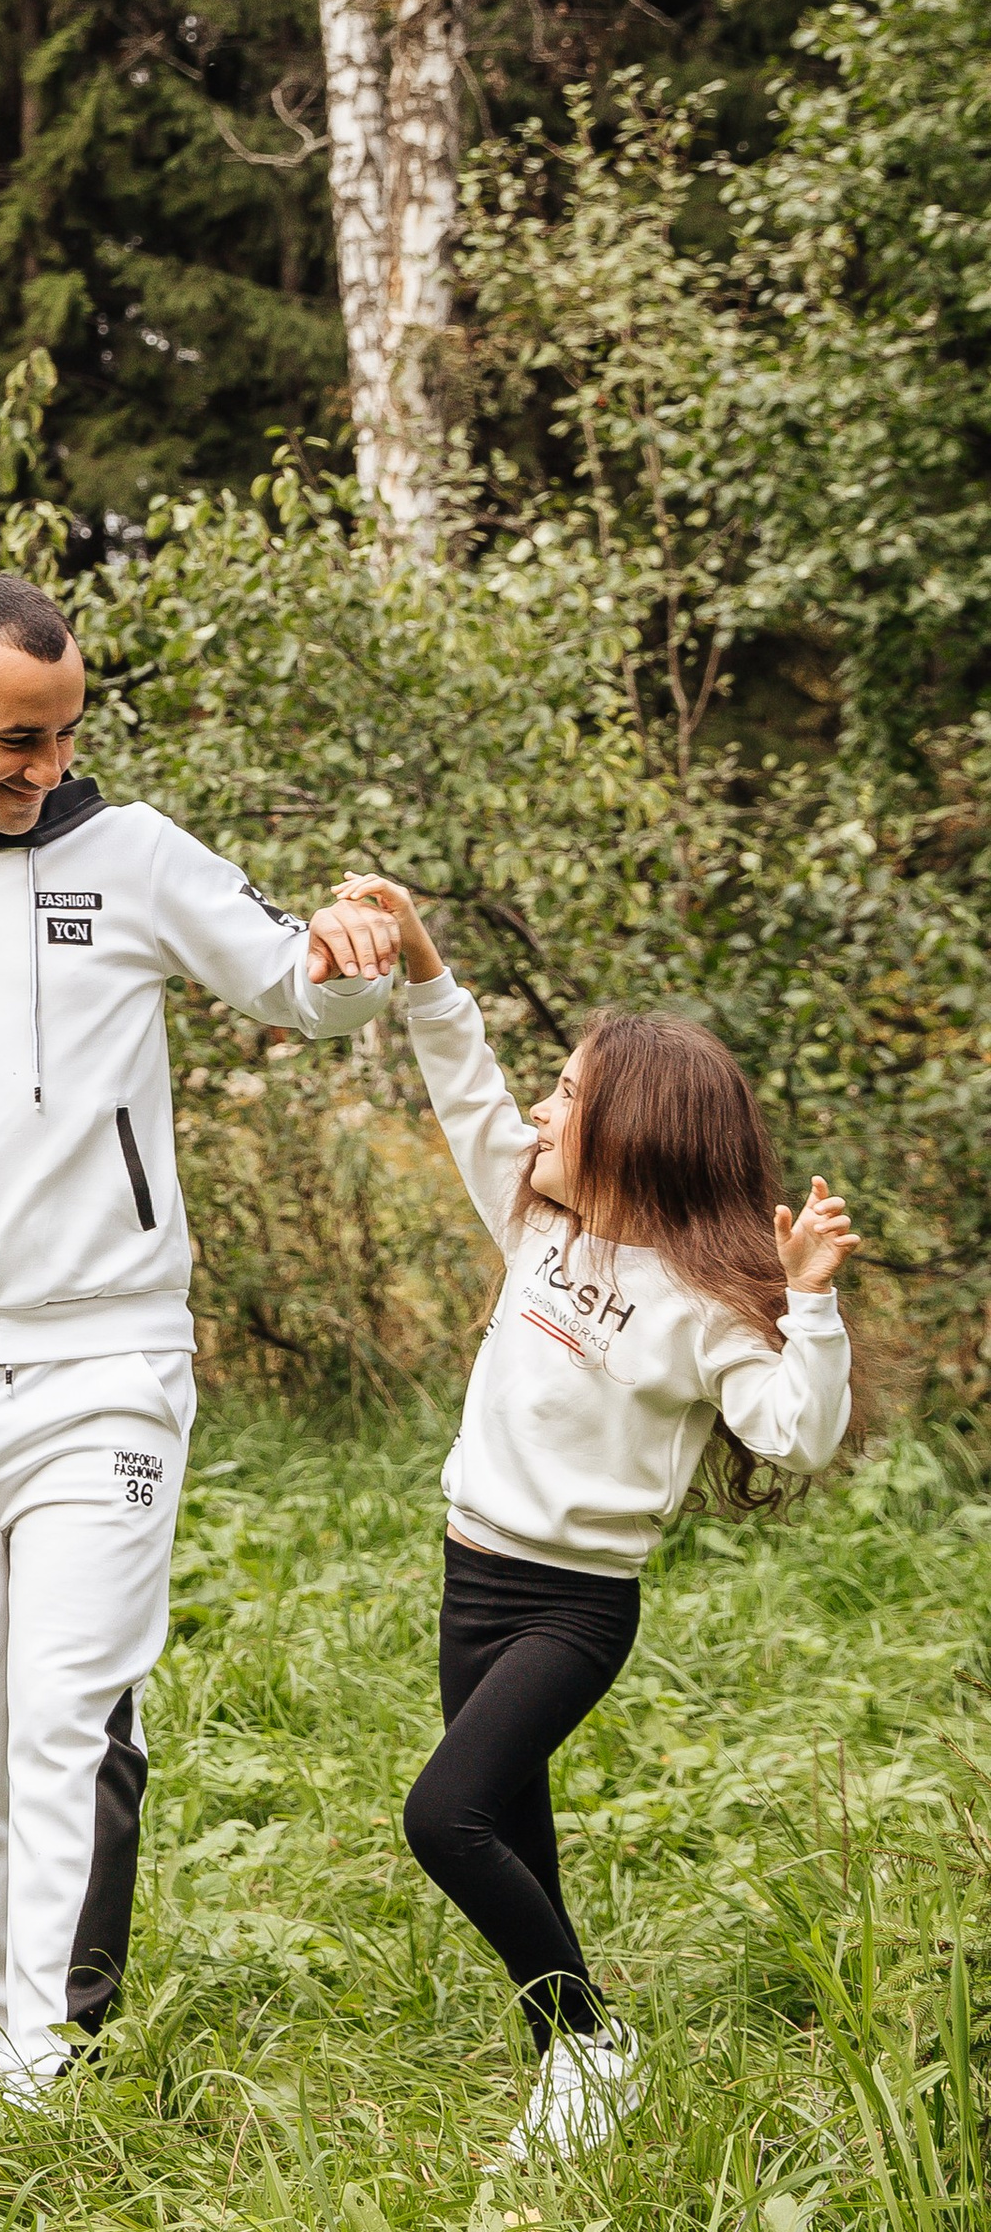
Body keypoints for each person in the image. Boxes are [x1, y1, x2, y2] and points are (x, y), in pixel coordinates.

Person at [0, 573, 398, 2098]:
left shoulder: (131, 855)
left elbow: (294, 983)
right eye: (13, 737)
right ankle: (0, 2026)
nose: (44, 763)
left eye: (63, 732)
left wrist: (354, 950)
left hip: (107, 1361)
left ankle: (46, 2057)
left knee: (62, 1710)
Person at [334, 874, 858, 2156]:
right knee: (517, 1832)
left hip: (573, 1608)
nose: (541, 1112)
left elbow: (794, 1430)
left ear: (637, 1133)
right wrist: (417, 956)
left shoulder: (699, 1299)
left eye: (568, 1098)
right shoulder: (535, 1224)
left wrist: (810, 1306)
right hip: (473, 1579)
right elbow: (464, 1081)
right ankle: (567, 2075)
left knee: (442, 1818)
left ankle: (593, 2041)